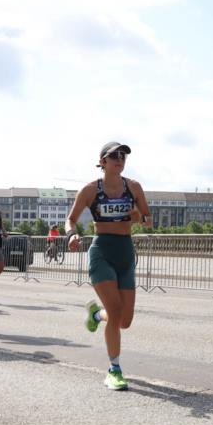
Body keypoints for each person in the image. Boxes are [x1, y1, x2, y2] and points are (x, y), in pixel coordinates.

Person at [66, 141, 152, 390]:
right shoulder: (90, 190)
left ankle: (95, 314)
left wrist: (138, 217)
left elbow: (147, 219)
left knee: (125, 320)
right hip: (102, 250)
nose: (120, 159)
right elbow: (70, 219)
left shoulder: (134, 187)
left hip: (125, 251)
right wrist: (71, 235)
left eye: (123, 155)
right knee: (115, 311)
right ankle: (114, 369)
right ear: (102, 161)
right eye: (114, 155)